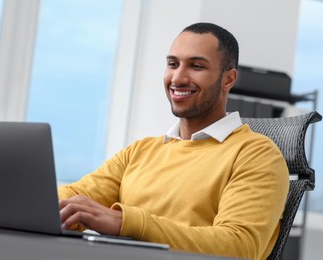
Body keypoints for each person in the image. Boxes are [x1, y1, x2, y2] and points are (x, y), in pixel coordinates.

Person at [58, 22, 289, 260]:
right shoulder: (140, 151)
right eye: (172, 64)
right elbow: (76, 196)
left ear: (228, 79)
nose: (178, 78)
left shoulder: (257, 155)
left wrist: (125, 222)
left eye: (196, 66)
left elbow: (238, 248)